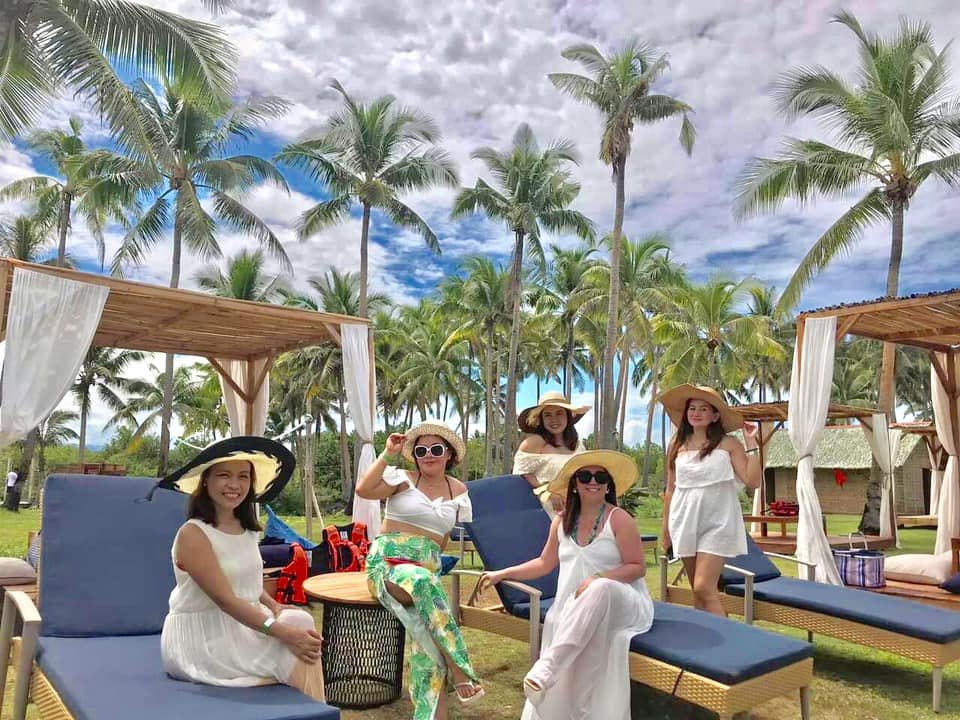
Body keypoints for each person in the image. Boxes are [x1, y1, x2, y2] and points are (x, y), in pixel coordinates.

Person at [479, 450, 653, 720]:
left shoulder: (619, 518)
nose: (592, 481)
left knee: (599, 589)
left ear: (609, 485)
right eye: (585, 475)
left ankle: (546, 668)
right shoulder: (561, 522)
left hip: (622, 601)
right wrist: (502, 573)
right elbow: (543, 563)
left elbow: (637, 567)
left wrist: (599, 577)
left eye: (600, 476)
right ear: (575, 483)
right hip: (575, 608)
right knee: (582, 654)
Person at [158, 436, 325, 701]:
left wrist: (276, 606)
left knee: (300, 621)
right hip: (202, 638)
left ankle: (311, 707)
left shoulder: (246, 530)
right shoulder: (193, 534)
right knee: (296, 644)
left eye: (244, 476)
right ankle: (314, 706)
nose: (234, 485)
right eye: (224, 475)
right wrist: (285, 633)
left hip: (242, 627)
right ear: (206, 480)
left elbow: (248, 583)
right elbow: (226, 599)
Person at [356, 420, 482, 720]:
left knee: (429, 649)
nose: (428, 454)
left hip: (424, 577)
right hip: (388, 567)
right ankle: (459, 668)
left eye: (435, 448)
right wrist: (388, 453)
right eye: (421, 450)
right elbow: (363, 490)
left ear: (448, 454)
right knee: (424, 582)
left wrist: (431, 557)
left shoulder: (458, 489)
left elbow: (444, 537)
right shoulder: (402, 478)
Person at [659, 384, 762, 617]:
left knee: (704, 587)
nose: (696, 412)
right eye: (692, 408)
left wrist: (751, 444)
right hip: (683, 520)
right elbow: (671, 489)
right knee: (698, 593)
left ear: (715, 415)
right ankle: (706, 644)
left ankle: (729, 644)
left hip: (718, 522)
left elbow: (752, 481)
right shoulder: (677, 446)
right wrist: (665, 528)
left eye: (703, 409)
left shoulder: (728, 445)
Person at [512, 391, 589, 517]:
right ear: (541, 419)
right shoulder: (533, 443)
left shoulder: (578, 445)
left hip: (576, 508)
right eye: (548, 415)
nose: (554, 419)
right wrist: (548, 490)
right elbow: (521, 474)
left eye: (559, 413)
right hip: (545, 512)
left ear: (568, 416)